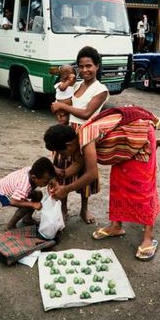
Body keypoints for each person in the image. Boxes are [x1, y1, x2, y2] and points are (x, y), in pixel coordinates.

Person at [44, 106, 160, 261]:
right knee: (118, 185)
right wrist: (60, 176)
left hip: (141, 140)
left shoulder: (86, 139)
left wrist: (66, 189)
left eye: (62, 153)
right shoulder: (77, 140)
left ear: (68, 145)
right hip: (124, 148)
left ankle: (148, 237)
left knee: (142, 188)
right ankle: (116, 226)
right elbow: (79, 164)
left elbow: (91, 174)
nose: (64, 157)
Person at [51, 46, 109, 224]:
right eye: (81, 66)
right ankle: (63, 209)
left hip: (85, 134)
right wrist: (57, 107)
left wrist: (63, 107)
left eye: (89, 66)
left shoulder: (101, 89)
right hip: (67, 134)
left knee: (84, 171)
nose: (85, 70)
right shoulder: (75, 85)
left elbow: (85, 113)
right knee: (63, 170)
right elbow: (61, 100)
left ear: (97, 66)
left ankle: (84, 209)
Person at [0, 157, 56, 230]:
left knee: (38, 194)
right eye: (45, 182)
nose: (47, 184)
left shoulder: (33, 171)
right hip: (4, 194)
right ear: (34, 178)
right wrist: (32, 204)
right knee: (26, 207)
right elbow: (13, 201)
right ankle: (10, 226)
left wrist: (53, 177)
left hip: (13, 187)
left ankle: (27, 219)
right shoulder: (24, 186)